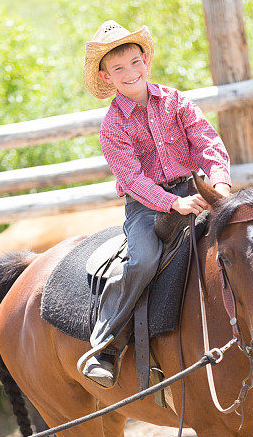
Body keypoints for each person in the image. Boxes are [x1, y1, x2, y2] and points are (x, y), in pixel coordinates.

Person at [78, 20, 232, 387]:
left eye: (134, 62)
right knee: (143, 259)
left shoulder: (177, 102)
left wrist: (220, 182)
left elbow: (207, 142)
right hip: (146, 206)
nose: (130, 72)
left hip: (194, 188)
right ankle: (105, 344)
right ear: (106, 76)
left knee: (252, 229)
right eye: (118, 68)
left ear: (145, 60)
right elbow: (132, 179)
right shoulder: (113, 126)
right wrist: (171, 204)